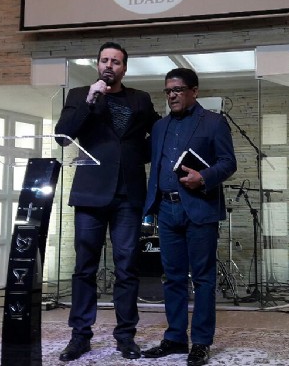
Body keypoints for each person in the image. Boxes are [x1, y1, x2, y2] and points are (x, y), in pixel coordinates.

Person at [54, 41, 160, 361]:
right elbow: (62, 136)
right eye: (104, 60)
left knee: (127, 268)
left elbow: (157, 135)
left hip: (128, 195)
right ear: (97, 65)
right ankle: (80, 336)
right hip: (90, 194)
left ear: (124, 68)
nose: (109, 65)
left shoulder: (140, 99)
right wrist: (89, 101)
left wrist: (136, 156)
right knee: (84, 268)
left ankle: (125, 336)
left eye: (115, 61)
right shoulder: (79, 96)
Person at [141, 67, 237, 366]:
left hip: (200, 208)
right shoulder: (160, 127)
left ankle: (202, 342)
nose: (172, 95)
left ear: (194, 91)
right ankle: (175, 339)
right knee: (172, 278)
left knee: (204, 279)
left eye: (178, 90)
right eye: (168, 91)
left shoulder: (214, 122)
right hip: (166, 209)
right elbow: (155, 165)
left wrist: (203, 177)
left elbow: (228, 163)